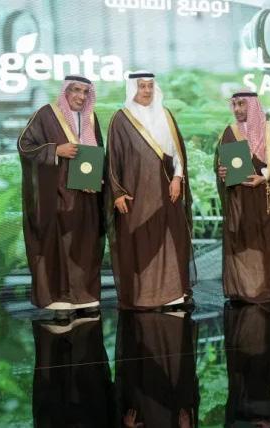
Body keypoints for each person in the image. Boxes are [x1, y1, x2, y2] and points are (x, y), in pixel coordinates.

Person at [106, 71, 194, 310]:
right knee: (141, 245)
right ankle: (144, 296)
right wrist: (117, 192)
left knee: (172, 240)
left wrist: (177, 178)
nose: (146, 90)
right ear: (132, 88)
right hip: (135, 196)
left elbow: (178, 153)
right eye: (142, 86)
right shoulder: (121, 119)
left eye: (150, 86)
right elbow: (112, 159)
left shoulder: (166, 115)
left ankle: (174, 296)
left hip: (167, 191)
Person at [17, 75, 105, 316]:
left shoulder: (91, 118)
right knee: (59, 248)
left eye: (85, 92)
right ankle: (59, 299)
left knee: (85, 246)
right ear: (65, 92)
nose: (81, 96)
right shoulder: (45, 115)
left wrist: (97, 178)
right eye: (76, 90)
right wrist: (56, 150)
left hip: (86, 196)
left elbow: (98, 152)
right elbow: (24, 147)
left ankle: (84, 296)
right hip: (55, 196)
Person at [215, 91, 270, 303]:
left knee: (266, 243)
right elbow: (220, 165)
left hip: (264, 197)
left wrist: (263, 177)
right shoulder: (229, 132)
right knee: (242, 242)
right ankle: (243, 289)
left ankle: (266, 289)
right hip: (239, 198)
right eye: (235, 105)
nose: (237, 109)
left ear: (253, 105)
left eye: (242, 104)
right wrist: (221, 172)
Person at [115, 310, 199, 428]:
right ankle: (171, 318)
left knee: (138, 374)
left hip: (145, 410)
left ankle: (138, 319)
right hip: (170, 412)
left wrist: (128, 426)